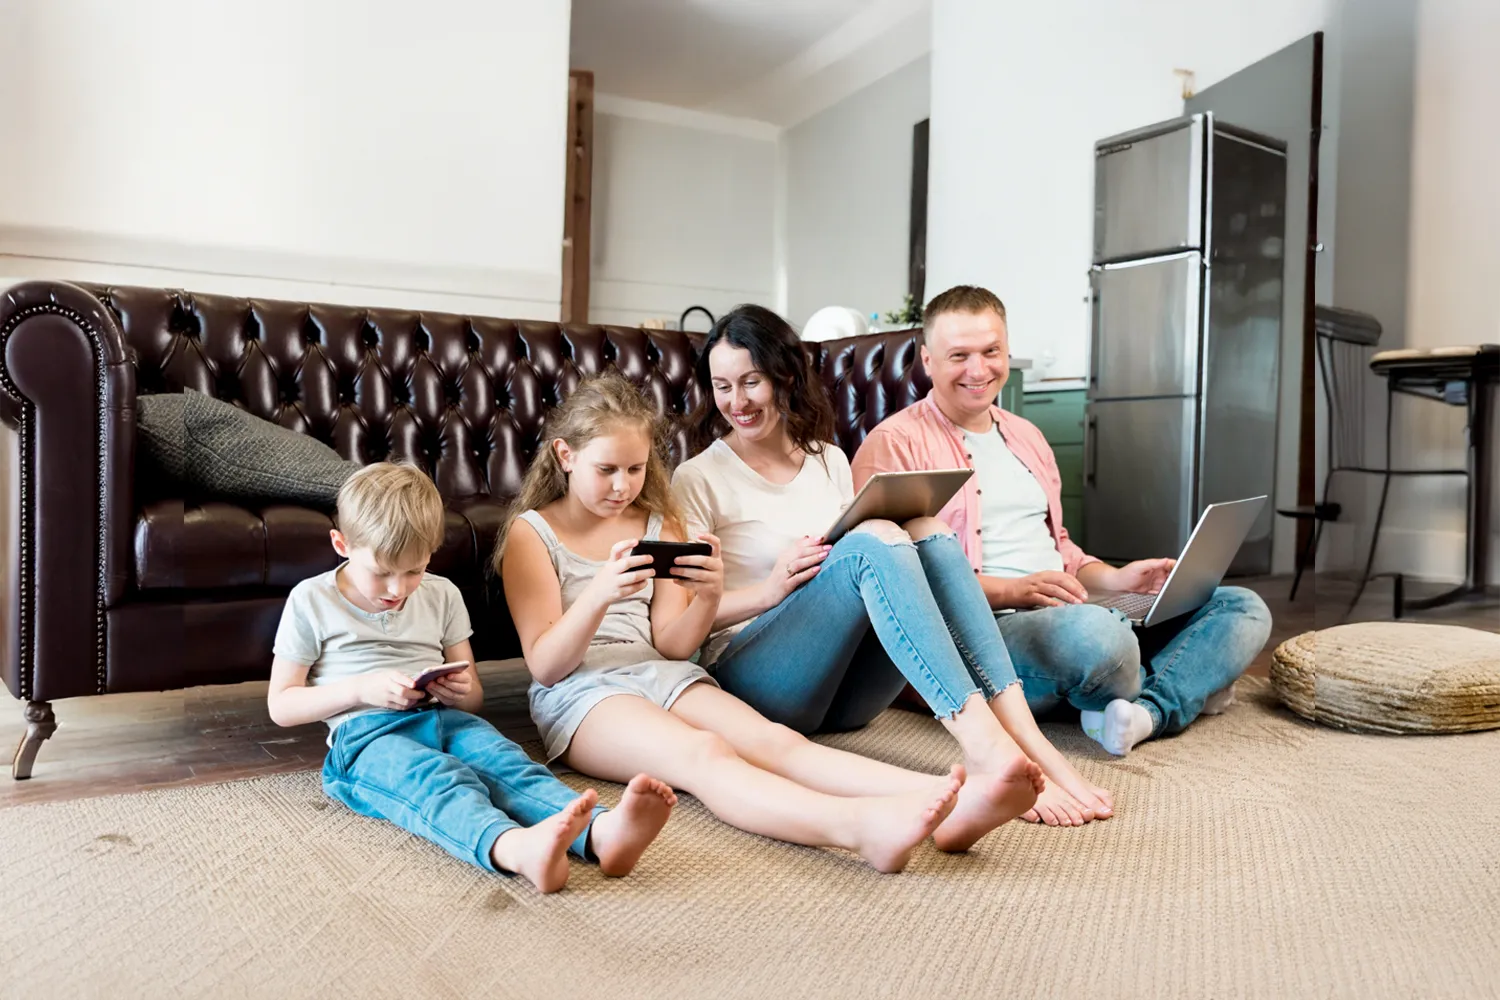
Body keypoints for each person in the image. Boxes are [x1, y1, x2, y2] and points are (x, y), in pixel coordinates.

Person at [499, 371, 1011, 872]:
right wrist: (598, 596)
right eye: (607, 470)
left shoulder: (657, 519)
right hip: (583, 692)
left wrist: (708, 595)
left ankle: (957, 799)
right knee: (703, 754)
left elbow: (672, 646)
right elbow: (546, 665)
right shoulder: (532, 534)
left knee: (777, 742)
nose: (623, 486)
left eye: (634, 470)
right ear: (565, 455)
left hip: (664, 672)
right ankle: (856, 827)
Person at [671, 305, 1107, 828]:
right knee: (874, 539)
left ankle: (1026, 738)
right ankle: (984, 746)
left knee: (929, 529)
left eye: (751, 382)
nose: (736, 402)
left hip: (844, 699)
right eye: (722, 387)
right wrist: (769, 589)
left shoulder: (829, 459)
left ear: (784, 375)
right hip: (756, 685)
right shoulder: (697, 478)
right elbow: (679, 625)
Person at [852, 285, 1273, 764]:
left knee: (1240, 606)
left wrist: (1117, 578)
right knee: (1102, 640)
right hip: (987, 631)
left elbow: (1062, 549)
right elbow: (895, 585)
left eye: (991, 352)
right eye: (959, 356)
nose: (978, 370)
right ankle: (1183, 682)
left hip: (1072, 606)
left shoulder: (1026, 435)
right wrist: (1016, 591)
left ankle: (1145, 711)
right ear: (928, 360)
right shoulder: (894, 445)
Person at [267, 461, 676, 894]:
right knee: (436, 779)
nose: (396, 589)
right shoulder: (311, 600)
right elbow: (282, 706)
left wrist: (458, 692)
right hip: (366, 737)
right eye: (382, 572)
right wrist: (358, 689)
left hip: (446, 718)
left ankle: (602, 832)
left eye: (413, 571)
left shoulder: (441, 593)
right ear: (341, 543)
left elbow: (473, 697)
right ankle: (517, 848)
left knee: (507, 764)